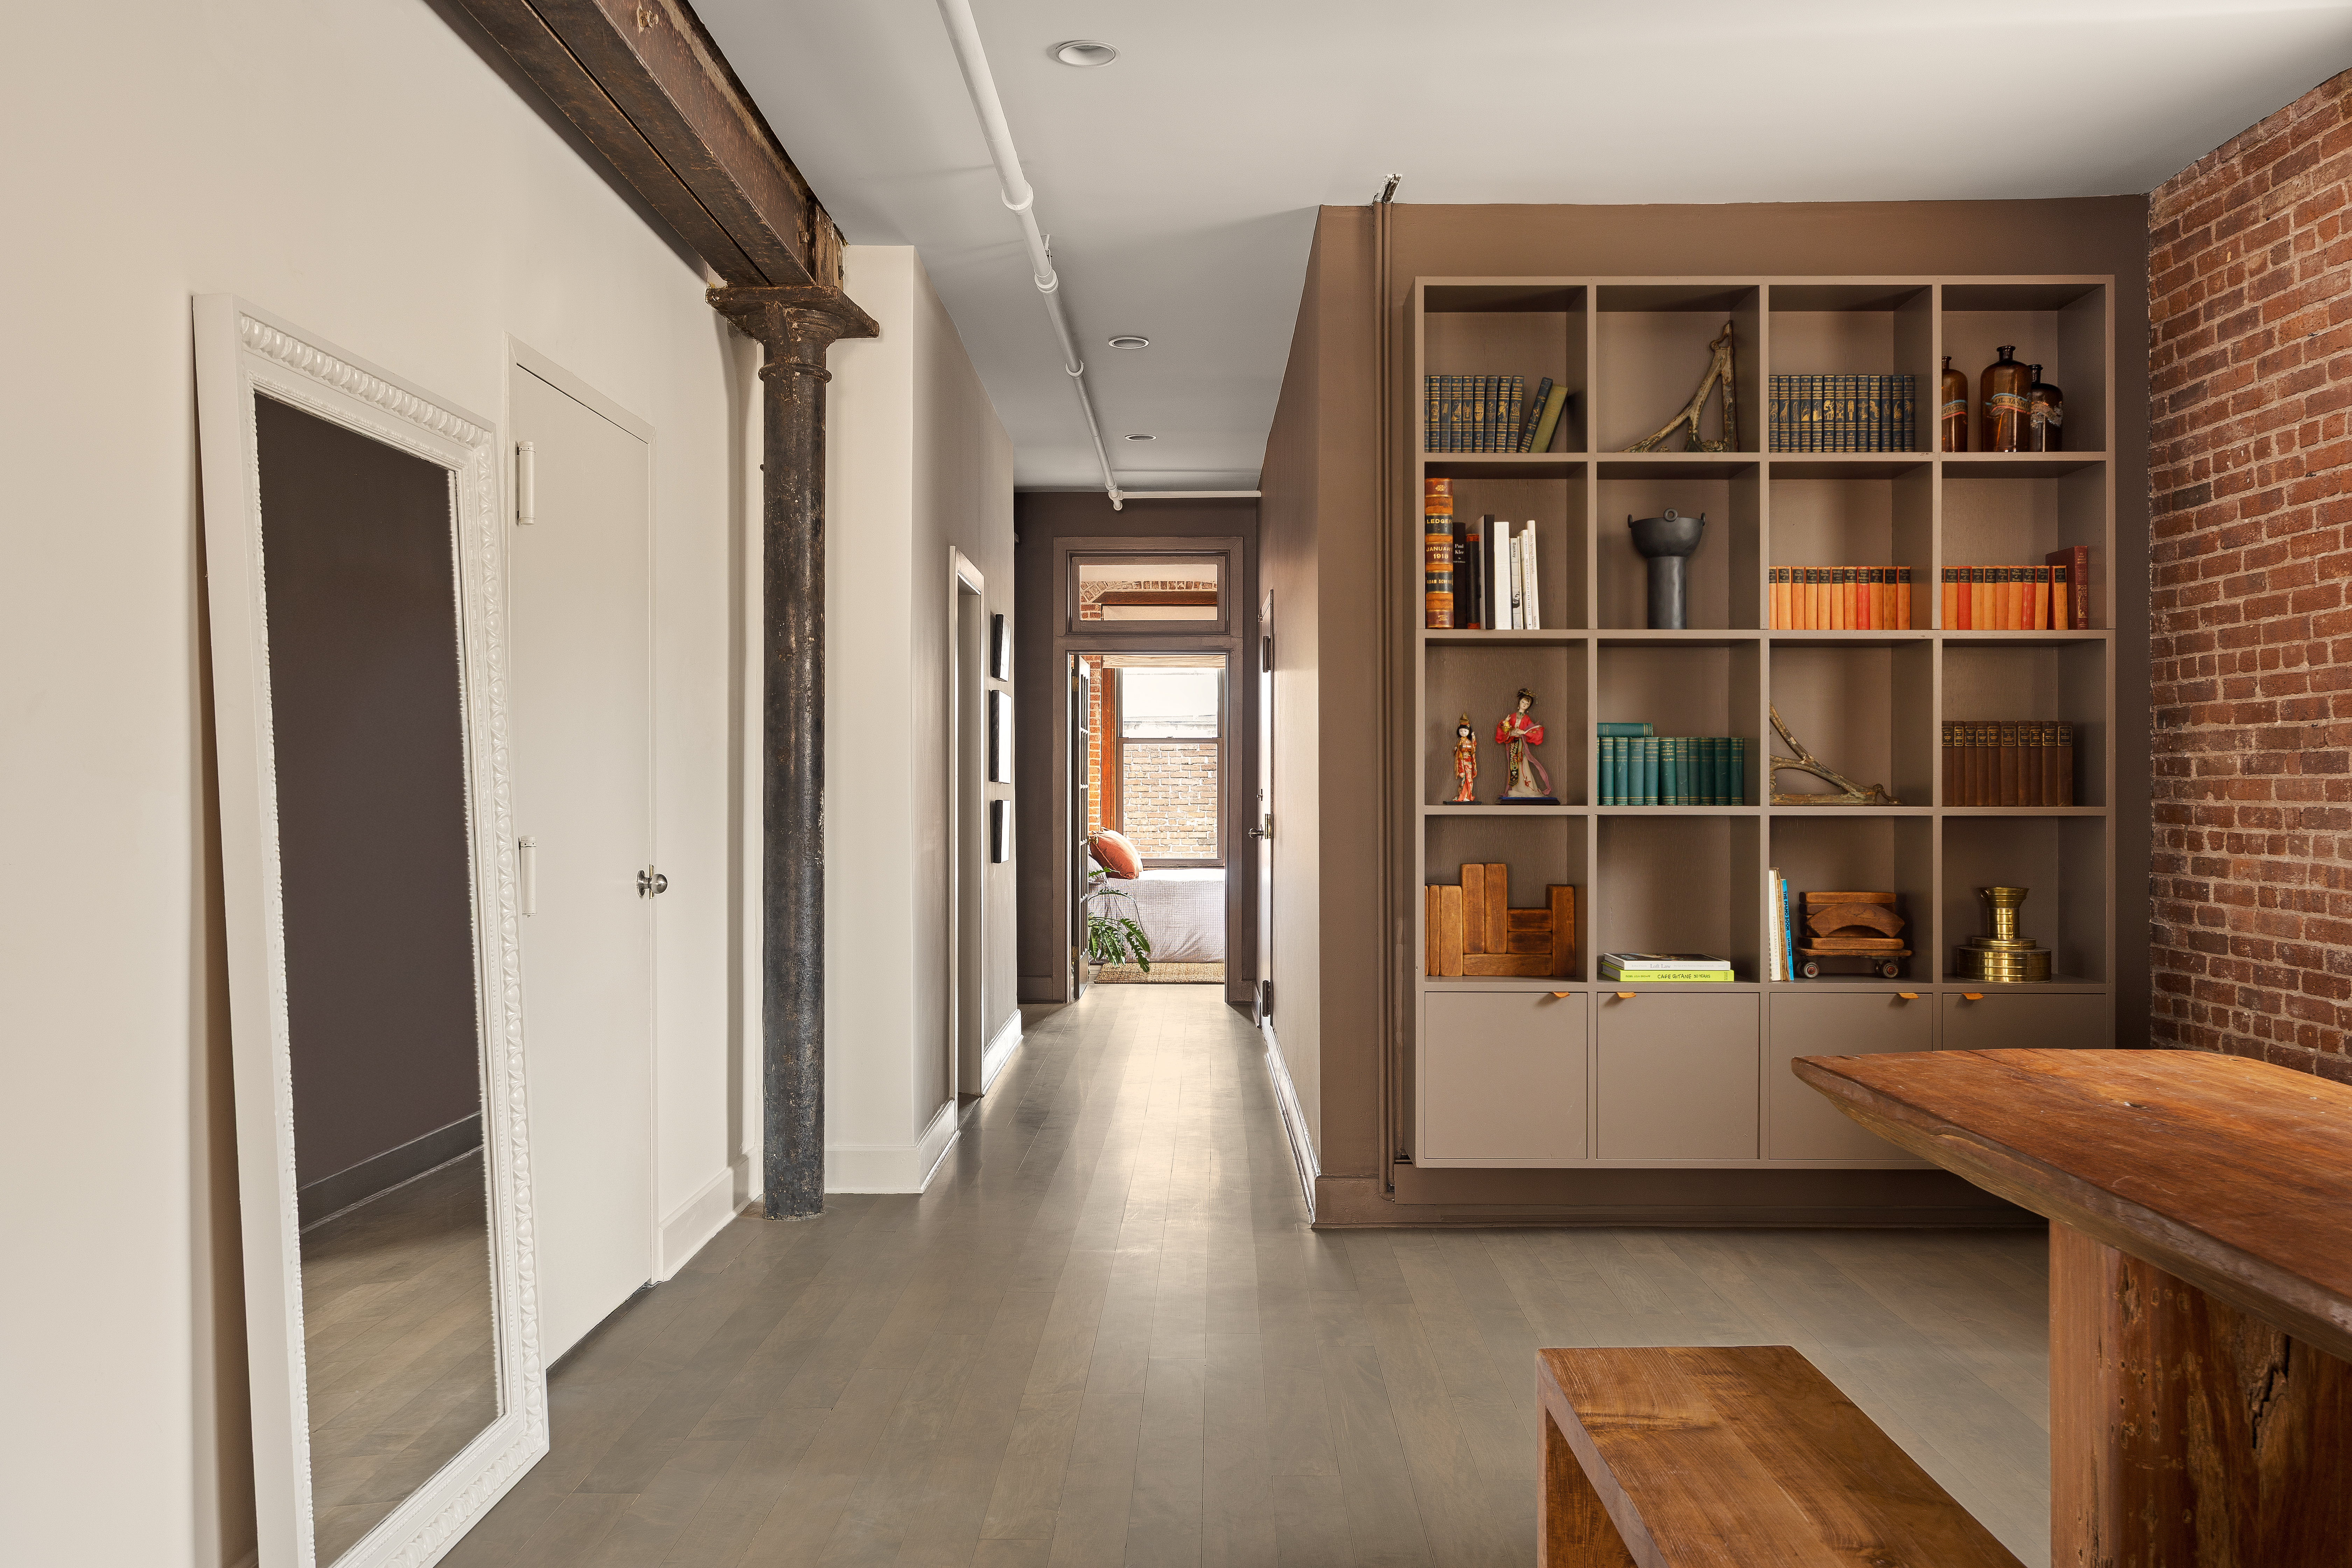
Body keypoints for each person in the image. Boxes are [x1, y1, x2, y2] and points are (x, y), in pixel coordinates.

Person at [1494, 688, 1552, 799]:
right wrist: (1504, 723)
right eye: (1523, 702)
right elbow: (1505, 731)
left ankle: (1526, 789)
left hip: (1520, 744)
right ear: (1519, 703)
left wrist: (1524, 732)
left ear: (1529, 707)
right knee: (1513, 766)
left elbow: (1534, 730)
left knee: (1522, 763)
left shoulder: (1526, 718)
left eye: (1527, 704)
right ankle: (1516, 790)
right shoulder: (1512, 716)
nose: (1525, 705)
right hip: (1513, 744)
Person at [1450, 715, 1477, 803]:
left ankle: (1468, 796)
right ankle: (1462, 796)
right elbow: (1457, 751)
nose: (1463, 733)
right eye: (1461, 731)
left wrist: (1473, 739)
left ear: (1469, 731)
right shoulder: (1460, 742)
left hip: (1469, 762)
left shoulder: (1470, 742)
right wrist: (1456, 750)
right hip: (1462, 762)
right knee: (1463, 779)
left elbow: (1473, 750)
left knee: (1469, 780)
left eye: (1465, 731)